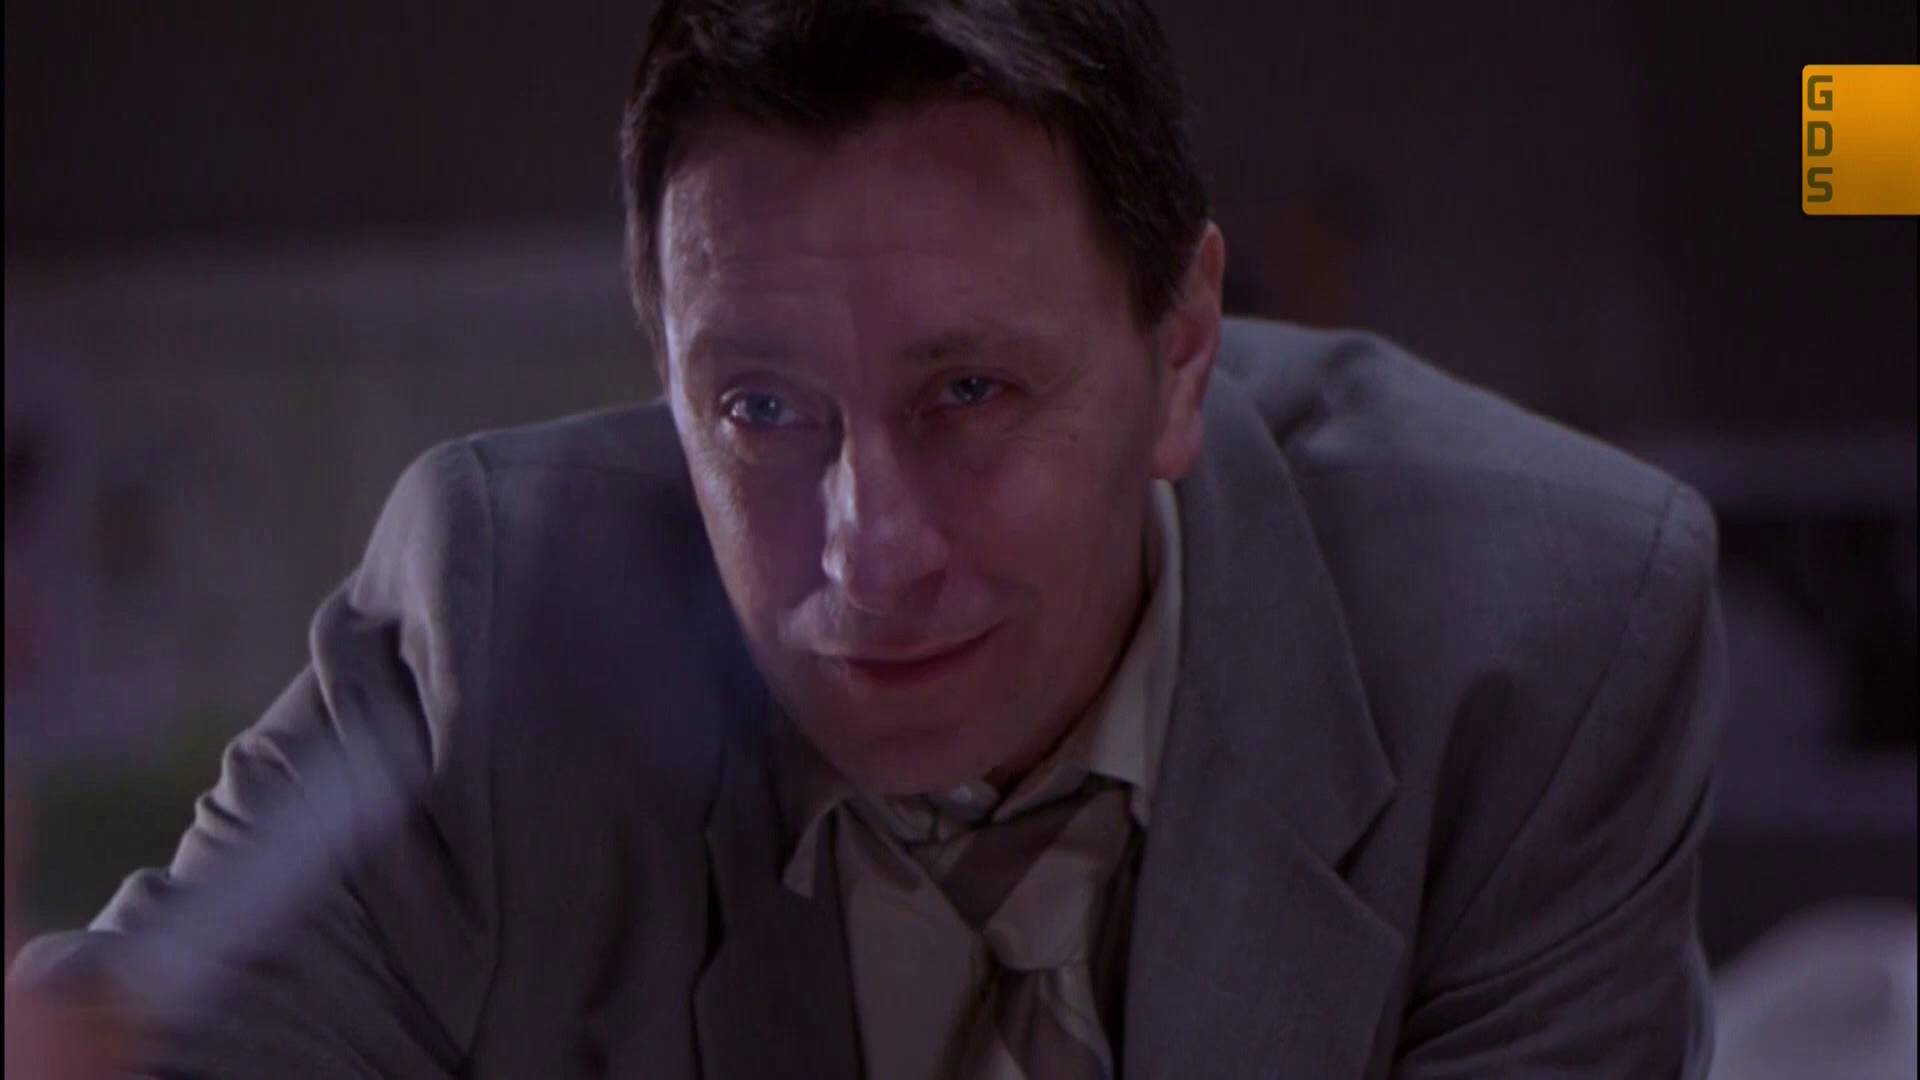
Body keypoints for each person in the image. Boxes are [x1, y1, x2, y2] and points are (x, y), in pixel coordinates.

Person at [6, 0, 1724, 1076]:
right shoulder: (493, 618)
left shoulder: (1541, 636)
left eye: (970, 391)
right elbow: (137, 1040)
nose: (868, 552)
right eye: (759, 407)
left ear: (1184, 351)